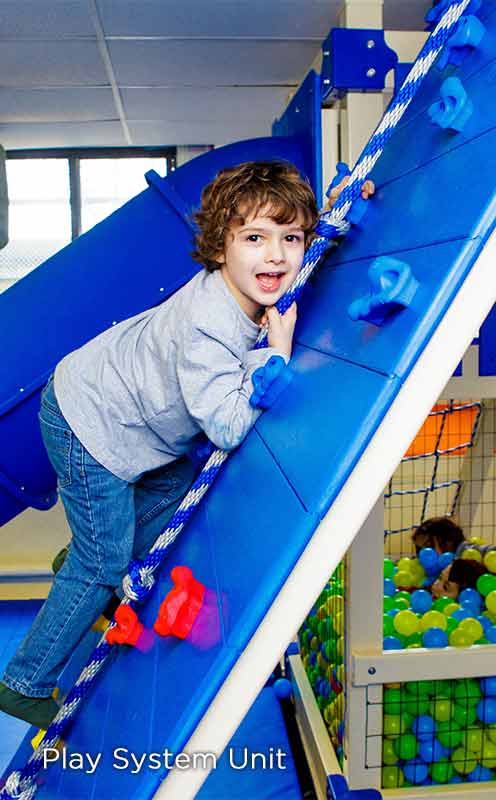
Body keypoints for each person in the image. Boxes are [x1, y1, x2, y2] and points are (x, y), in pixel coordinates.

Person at [0, 160, 371, 729]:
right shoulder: (209, 324)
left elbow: (299, 272)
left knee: (175, 496)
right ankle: (22, 680)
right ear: (220, 246)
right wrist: (277, 354)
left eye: (290, 238)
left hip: (126, 420)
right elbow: (226, 426)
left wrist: (340, 212)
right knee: (104, 559)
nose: (275, 255)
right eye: (254, 238)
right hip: (90, 420)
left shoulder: (251, 287)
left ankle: (84, 565)